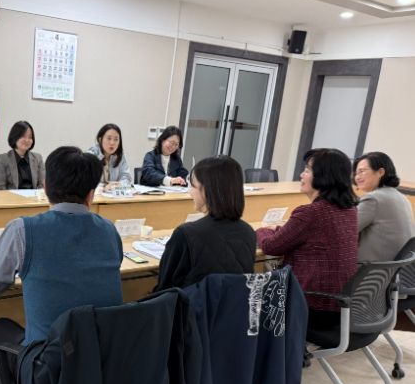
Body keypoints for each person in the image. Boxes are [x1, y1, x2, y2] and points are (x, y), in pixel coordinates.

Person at [0, 146, 123, 384]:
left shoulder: (23, 229)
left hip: (48, 361)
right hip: (100, 356)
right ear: (91, 194)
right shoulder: (110, 231)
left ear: (45, 187)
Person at [256, 148, 358, 330]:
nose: (301, 175)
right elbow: (307, 235)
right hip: (340, 307)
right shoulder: (349, 209)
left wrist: (262, 230)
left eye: (308, 170)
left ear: (324, 176)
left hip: (311, 307)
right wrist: (280, 230)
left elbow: (270, 246)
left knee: (246, 298)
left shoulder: (311, 213)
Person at [155, 155, 256, 290]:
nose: (190, 192)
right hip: (235, 304)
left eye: (193, 186)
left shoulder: (186, 234)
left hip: (192, 304)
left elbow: (164, 289)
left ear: (208, 190)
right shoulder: (249, 232)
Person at [353, 152, 414, 262]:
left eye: (362, 171)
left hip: (368, 269)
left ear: (380, 172)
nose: (357, 177)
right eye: (356, 173)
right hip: (391, 270)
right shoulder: (402, 198)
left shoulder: (374, 199)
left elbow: (345, 230)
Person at [0, 121, 45, 190]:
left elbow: (42, 185)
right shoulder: (3, 159)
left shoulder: (38, 158)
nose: (27, 140)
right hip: (12, 197)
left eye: (30, 137)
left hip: (34, 196)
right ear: (15, 137)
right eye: (23, 136)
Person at [87, 123, 132, 189]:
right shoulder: (92, 154)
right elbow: (87, 180)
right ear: (100, 139)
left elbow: (126, 177)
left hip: (113, 194)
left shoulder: (119, 155)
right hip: (95, 194)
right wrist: (103, 187)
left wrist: (120, 184)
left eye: (116, 139)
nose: (112, 143)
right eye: (109, 138)